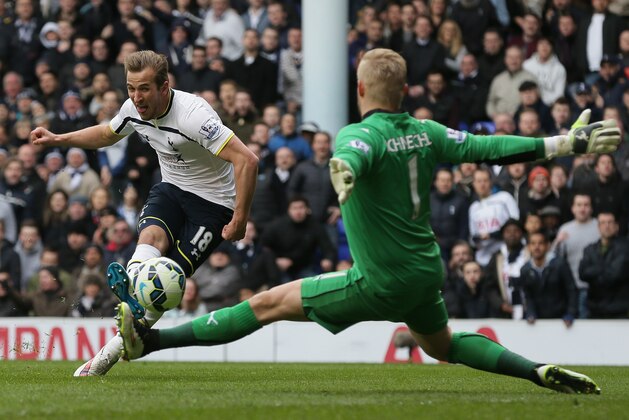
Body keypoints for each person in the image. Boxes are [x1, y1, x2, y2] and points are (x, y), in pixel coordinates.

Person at [116, 48, 619, 394]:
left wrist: (345, 171)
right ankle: (536, 371)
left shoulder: (357, 136)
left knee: (266, 304)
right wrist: (562, 143)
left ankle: (150, 342)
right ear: (404, 90)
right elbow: (488, 147)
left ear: (359, 88)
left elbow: (354, 155)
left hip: (378, 282)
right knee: (442, 346)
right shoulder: (426, 131)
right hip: (426, 272)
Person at [30, 50, 258, 377]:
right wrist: (58, 139)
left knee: (168, 283)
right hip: (172, 188)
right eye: (131, 88)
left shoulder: (194, 116)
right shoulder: (132, 109)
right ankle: (136, 288)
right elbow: (108, 134)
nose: (137, 97)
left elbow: (247, 160)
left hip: (214, 205)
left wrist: (240, 218)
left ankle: (103, 359)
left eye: (145, 89)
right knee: (150, 240)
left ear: (165, 87)